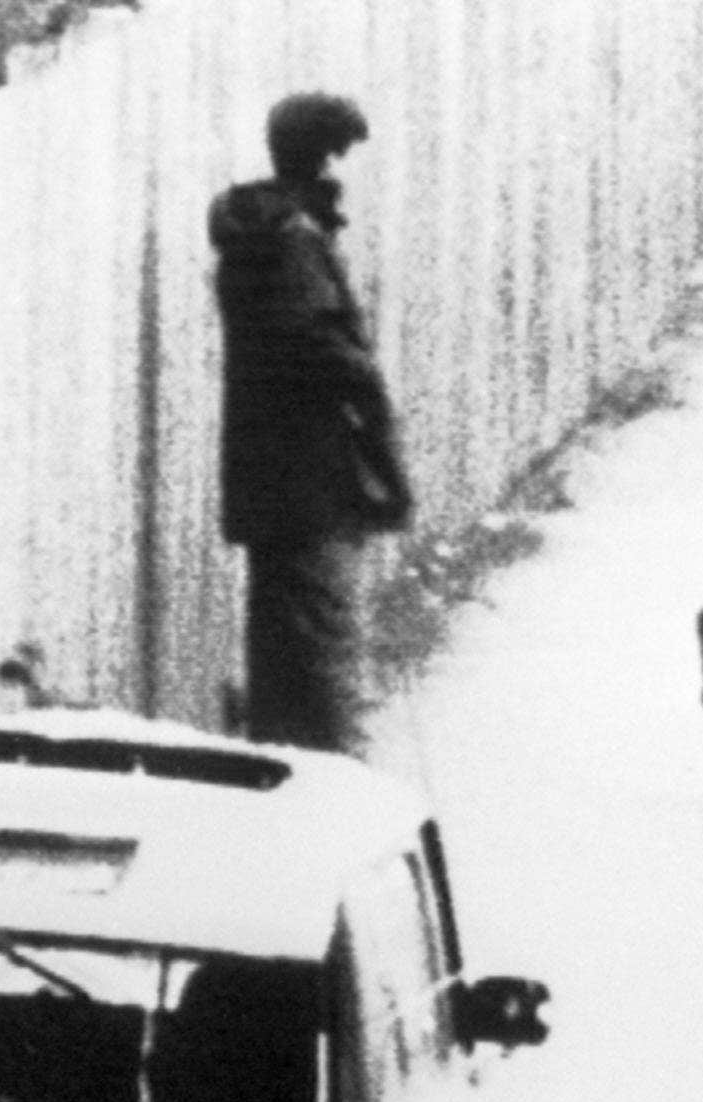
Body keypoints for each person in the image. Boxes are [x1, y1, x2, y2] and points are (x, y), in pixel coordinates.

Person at [211, 92, 412, 754]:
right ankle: (343, 793)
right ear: (323, 161)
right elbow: (332, 357)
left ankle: (285, 784)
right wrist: (385, 457)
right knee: (328, 656)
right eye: (343, 157)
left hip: (272, 480)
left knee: (283, 657)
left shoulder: (259, 235)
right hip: (315, 481)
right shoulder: (295, 244)